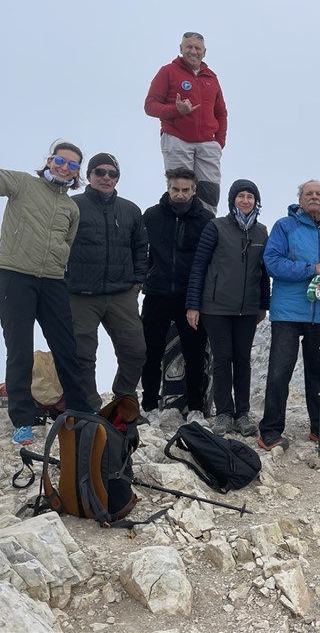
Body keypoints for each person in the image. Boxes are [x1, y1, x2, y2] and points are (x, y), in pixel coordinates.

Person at [0, 107, 94, 445]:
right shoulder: (21, 184)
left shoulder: (71, 208)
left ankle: (81, 414)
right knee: (19, 350)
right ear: (49, 162)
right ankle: (22, 420)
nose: (65, 167)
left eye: (73, 165)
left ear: (77, 173)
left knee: (66, 347)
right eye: (60, 161)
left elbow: (67, 245)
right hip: (14, 277)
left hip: (51, 282)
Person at [257, 180, 320, 451]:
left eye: (319, 194)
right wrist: (311, 269)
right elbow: (273, 262)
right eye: (308, 193)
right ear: (300, 200)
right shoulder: (284, 226)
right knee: (280, 371)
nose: (314, 197)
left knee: (319, 373)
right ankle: (271, 431)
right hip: (288, 312)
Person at [186, 179, 270, 437]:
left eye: (250, 196)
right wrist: (193, 304)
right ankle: (224, 412)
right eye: (241, 196)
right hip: (216, 306)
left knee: (242, 359)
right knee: (222, 358)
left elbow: (263, 271)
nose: (245, 200)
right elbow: (199, 265)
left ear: (256, 201)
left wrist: (263, 305)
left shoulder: (261, 231)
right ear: (232, 200)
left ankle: (243, 413)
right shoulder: (216, 227)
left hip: (247, 308)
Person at [66, 154, 148, 411]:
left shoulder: (130, 210)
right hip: (80, 293)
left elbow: (141, 247)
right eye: (100, 172)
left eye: (112, 173)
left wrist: (137, 282)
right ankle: (88, 407)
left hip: (121, 293)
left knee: (135, 350)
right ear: (89, 175)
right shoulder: (73, 206)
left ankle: (123, 400)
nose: (106, 177)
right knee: (82, 355)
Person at [139, 167, 212, 425]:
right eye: (175, 189)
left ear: (194, 191)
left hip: (189, 297)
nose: (179, 194)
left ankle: (195, 408)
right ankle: (149, 406)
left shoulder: (205, 219)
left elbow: (209, 260)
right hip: (156, 294)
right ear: (168, 188)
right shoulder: (152, 216)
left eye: (185, 190)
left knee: (194, 354)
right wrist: (144, 277)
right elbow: (140, 250)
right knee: (150, 353)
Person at [144, 31, 228, 213]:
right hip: (177, 139)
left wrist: (219, 142)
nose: (193, 51)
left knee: (209, 192)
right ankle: (177, 230)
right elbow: (150, 106)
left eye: (197, 48)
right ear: (181, 49)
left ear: (204, 52)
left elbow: (221, 112)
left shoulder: (211, 78)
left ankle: (206, 232)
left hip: (207, 143)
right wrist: (176, 110)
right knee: (180, 190)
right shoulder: (168, 71)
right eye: (189, 47)